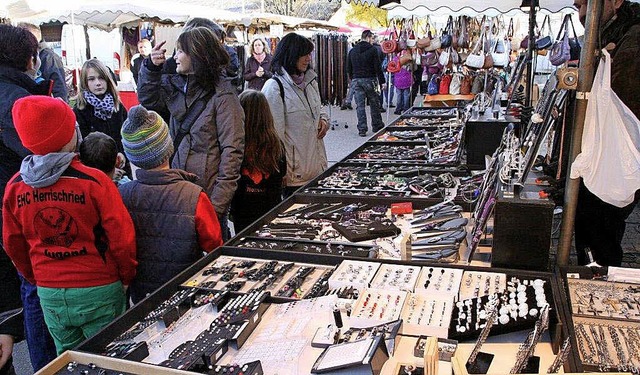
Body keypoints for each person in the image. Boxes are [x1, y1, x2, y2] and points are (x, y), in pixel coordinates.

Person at [3, 95, 137, 355]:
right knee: (111, 357)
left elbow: (13, 244)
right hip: (100, 285)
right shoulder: (94, 181)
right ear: (70, 134)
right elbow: (121, 236)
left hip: (50, 291)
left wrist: (38, 277)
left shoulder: (15, 187)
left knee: (69, 359)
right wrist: (126, 276)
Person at [138, 26, 245, 241]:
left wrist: (216, 206)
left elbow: (232, 153)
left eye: (180, 51)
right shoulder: (176, 86)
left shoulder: (224, 96)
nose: (175, 57)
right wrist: (150, 68)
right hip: (176, 192)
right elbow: (148, 100)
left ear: (196, 55)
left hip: (206, 197)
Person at [119, 105, 222, 303]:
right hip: (188, 289)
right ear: (168, 147)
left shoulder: (122, 195)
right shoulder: (193, 195)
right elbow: (214, 246)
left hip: (143, 294)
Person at [0, 23, 57, 371]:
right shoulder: (19, 100)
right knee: (32, 285)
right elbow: (43, 156)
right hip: (21, 205)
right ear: (31, 59)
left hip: (10, 201)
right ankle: (46, 364)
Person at [573, 0, 640, 266]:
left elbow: (623, 106)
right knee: (592, 231)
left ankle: (597, 288)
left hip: (614, 157)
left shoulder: (633, 38)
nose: (577, 4)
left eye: (586, 1)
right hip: (604, 155)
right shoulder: (615, 33)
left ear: (615, 1)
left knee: (599, 236)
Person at [262, 33, 328, 197]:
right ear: (291, 55)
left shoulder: (311, 81)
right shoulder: (274, 87)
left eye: (309, 54)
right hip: (293, 173)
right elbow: (274, 136)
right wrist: (280, 171)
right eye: (303, 55)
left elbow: (319, 108)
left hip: (316, 166)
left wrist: (324, 120)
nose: (308, 59)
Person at [231, 90, 286, 232]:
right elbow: (281, 177)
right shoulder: (277, 145)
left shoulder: (236, 146)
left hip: (243, 215)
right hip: (271, 212)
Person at [74, 59, 128, 161]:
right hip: (95, 167)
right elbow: (82, 147)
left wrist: (123, 155)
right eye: (91, 79)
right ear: (85, 82)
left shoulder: (117, 106)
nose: (98, 83)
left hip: (121, 164)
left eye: (101, 78)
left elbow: (127, 136)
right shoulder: (80, 110)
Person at [347, 30, 386, 137]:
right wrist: (382, 81)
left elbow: (348, 68)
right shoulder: (373, 50)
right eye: (372, 38)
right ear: (368, 37)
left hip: (356, 80)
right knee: (374, 103)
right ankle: (377, 125)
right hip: (370, 79)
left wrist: (353, 78)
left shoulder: (353, 51)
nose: (373, 41)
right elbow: (377, 67)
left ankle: (362, 128)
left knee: (360, 106)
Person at [18, 22, 68, 102]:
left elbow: (59, 88)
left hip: (48, 106)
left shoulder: (49, 57)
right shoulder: (27, 55)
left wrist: (60, 108)